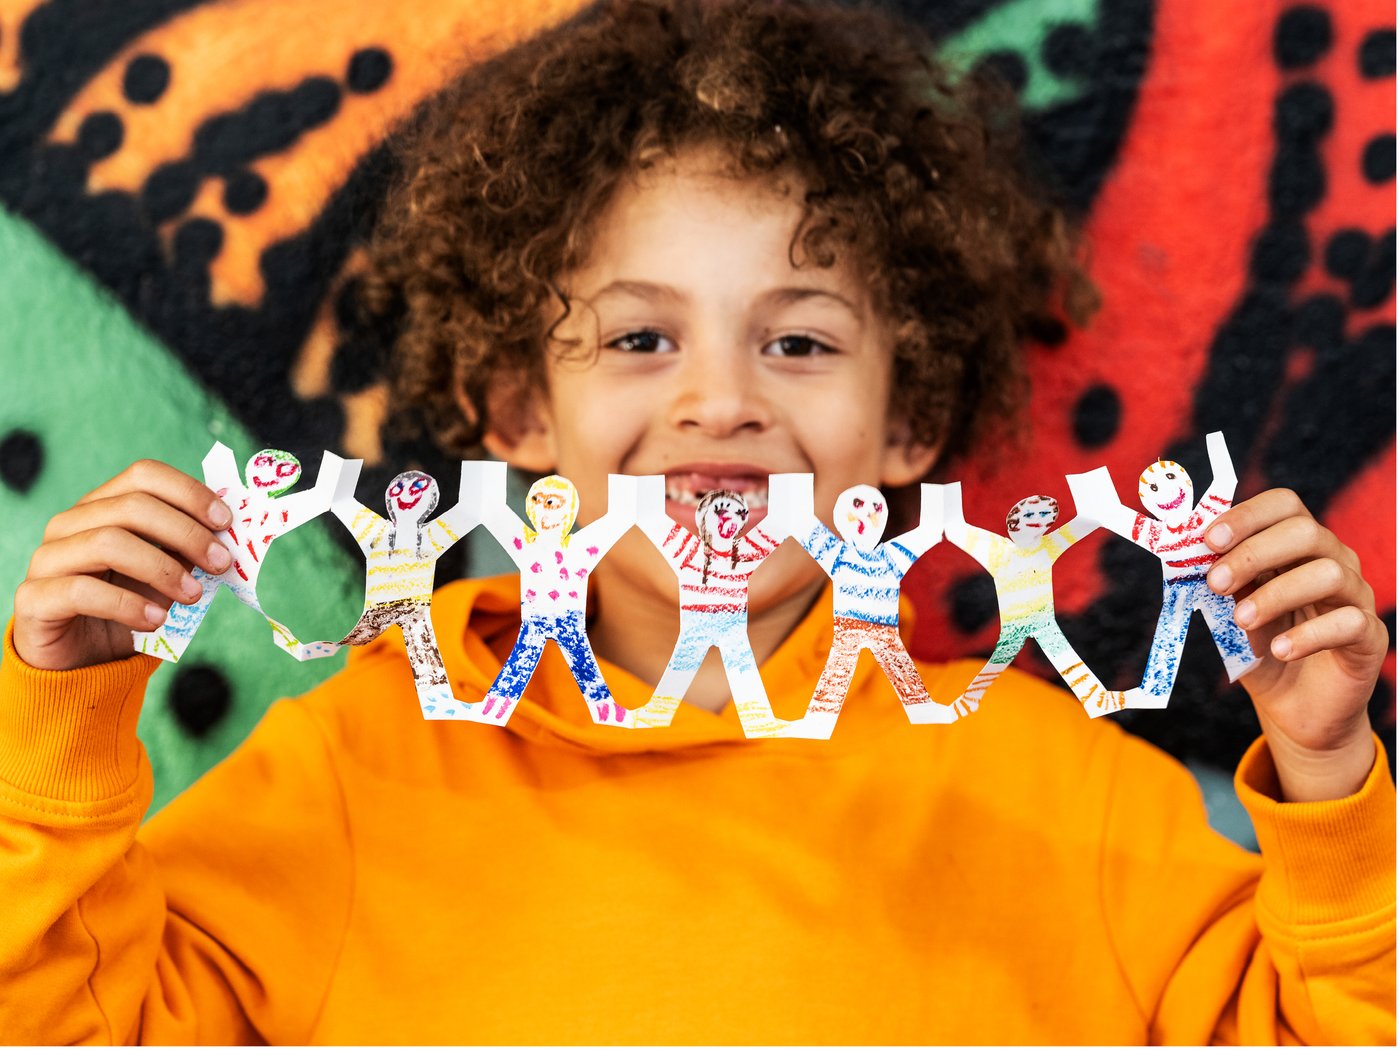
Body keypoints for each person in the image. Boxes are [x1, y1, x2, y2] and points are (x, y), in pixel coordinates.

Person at [1, 0, 1392, 1044]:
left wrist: (1327, 770)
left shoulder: (1066, 804)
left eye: (797, 344)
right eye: (639, 339)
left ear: (906, 425)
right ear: (516, 409)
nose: (719, 400)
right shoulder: (350, 773)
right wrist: (63, 718)